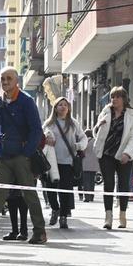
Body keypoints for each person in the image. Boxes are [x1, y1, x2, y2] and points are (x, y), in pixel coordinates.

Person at [0, 66, 47, 245]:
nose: (5, 82)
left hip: (21, 156)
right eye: (3, 79)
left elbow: (36, 131)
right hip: (2, 155)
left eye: (9, 78)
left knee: (28, 194)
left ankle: (39, 231)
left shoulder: (26, 101)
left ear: (17, 81)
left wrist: (26, 153)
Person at [92, 86, 133, 230]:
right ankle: (108, 217)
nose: (114, 100)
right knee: (108, 184)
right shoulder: (106, 111)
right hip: (106, 153)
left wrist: (128, 153)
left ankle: (122, 215)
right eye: (112, 97)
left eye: (117, 97)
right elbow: (96, 133)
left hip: (123, 154)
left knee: (123, 185)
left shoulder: (132, 115)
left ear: (124, 99)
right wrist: (98, 126)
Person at [42, 97, 87, 229]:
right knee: (50, 189)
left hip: (67, 162)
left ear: (69, 108)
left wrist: (79, 146)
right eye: (60, 105)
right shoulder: (49, 124)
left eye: (65, 105)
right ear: (55, 108)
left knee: (65, 190)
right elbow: (40, 137)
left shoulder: (73, 123)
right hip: (51, 162)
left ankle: (63, 216)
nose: (63, 107)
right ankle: (55, 208)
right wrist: (45, 139)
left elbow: (83, 138)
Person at [81, 129, 99, 202]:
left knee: (86, 181)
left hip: (86, 164)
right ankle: (91, 196)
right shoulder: (95, 141)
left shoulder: (85, 142)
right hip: (94, 164)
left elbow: (82, 151)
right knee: (92, 181)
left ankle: (87, 197)